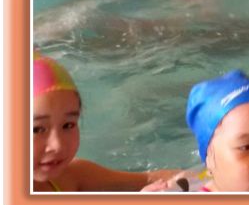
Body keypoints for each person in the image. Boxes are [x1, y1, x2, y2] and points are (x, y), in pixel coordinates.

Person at [32, 51, 180, 191]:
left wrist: (188, 180)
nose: (57, 145)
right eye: (36, 129)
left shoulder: (71, 177)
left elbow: (152, 178)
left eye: (68, 125)